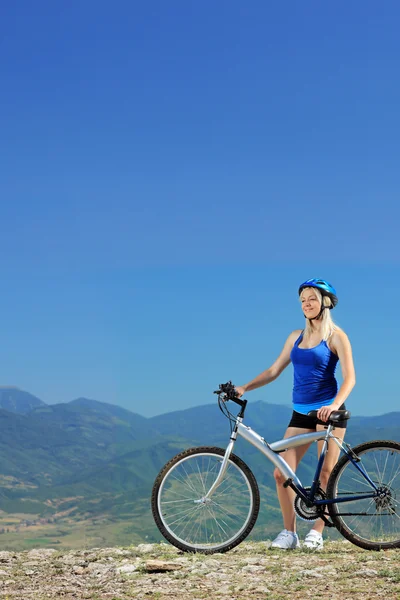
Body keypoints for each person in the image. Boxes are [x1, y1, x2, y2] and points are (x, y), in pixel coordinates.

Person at [235, 278, 356, 551]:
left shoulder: (336, 336)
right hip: (301, 413)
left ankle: (317, 531)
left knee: (326, 474)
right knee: (281, 474)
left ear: (325, 302)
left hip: (329, 413)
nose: (306, 304)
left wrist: (334, 406)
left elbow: (350, 379)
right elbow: (274, 370)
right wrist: (245, 387)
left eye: (312, 298)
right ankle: (289, 533)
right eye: (302, 300)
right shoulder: (295, 337)